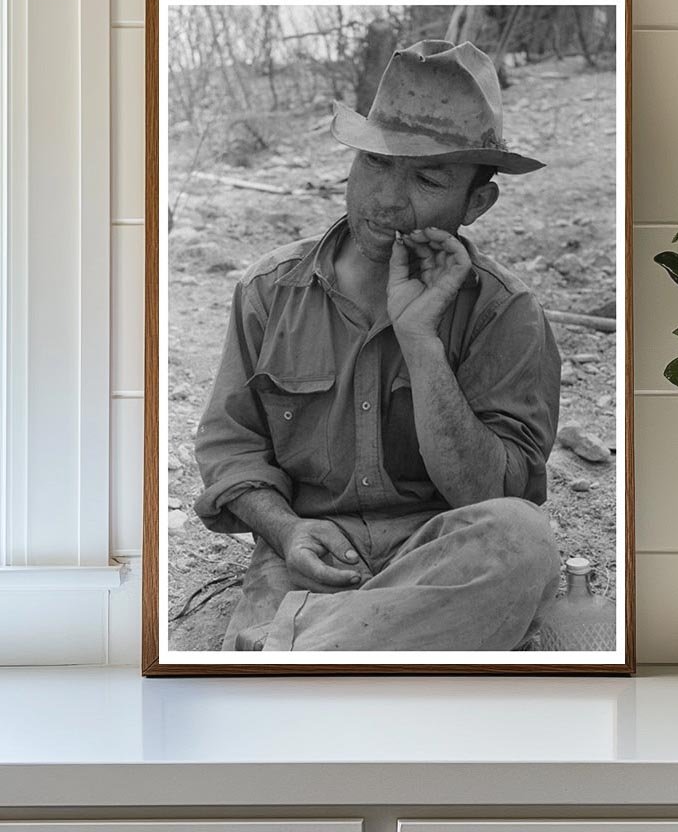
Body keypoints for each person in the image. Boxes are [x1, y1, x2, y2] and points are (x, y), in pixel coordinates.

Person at [193, 38, 562, 652]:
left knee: (524, 540)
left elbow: (492, 498)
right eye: (376, 163)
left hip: (437, 556)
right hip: (310, 557)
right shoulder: (269, 290)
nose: (387, 198)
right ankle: (340, 645)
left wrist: (421, 340)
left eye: (427, 177)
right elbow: (232, 448)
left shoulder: (507, 313)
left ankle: (290, 650)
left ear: (477, 202)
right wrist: (286, 531)